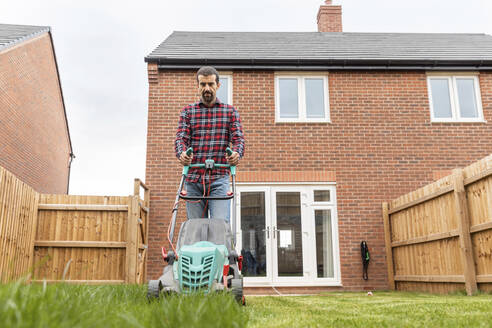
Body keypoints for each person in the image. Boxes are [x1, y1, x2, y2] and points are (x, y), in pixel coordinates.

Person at [175, 66, 245, 222]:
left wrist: (236, 154)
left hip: (219, 179)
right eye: (203, 84)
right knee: (195, 228)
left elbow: (238, 139)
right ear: (198, 86)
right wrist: (182, 153)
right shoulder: (188, 112)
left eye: (211, 84)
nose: (207, 88)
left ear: (218, 85)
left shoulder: (230, 112)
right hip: (193, 179)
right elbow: (181, 138)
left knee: (220, 226)